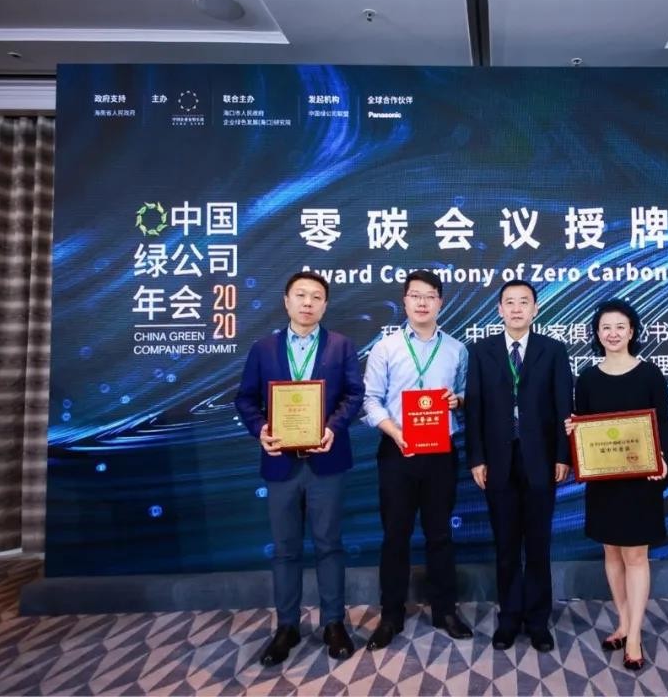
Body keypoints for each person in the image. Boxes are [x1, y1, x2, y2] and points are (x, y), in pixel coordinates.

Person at [234, 271, 365, 666]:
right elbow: (245, 399)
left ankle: (333, 623)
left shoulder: (341, 346)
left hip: (327, 462)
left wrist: (332, 428)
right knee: (285, 550)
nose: (308, 302)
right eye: (301, 295)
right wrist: (261, 430)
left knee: (329, 545)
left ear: (325, 304)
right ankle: (287, 626)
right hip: (281, 464)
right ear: (286, 301)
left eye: (316, 296)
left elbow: (354, 394)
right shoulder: (263, 348)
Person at [362, 270, 473, 650]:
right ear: (405, 301)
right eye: (415, 295)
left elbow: (464, 394)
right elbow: (371, 400)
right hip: (397, 451)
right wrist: (395, 432)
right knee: (395, 535)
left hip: (440, 452)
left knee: (440, 534)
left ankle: (445, 610)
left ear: (440, 301)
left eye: (430, 296)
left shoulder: (457, 349)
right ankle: (391, 614)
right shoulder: (386, 348)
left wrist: (458, 400)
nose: (422, 302)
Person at [565, 298, 668, 671]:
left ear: (632, 331)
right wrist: (574, 430)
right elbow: (585, 427)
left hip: (640, 480)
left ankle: (635, 636)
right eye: (605, 327)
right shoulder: (587, 378)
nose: (612, 333)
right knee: (611, 553)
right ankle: (624, 622)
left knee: (636, 556)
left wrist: (663, 460)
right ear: (597, 334)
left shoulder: (650, 374)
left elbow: (663, 423)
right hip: (605, 482)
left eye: (620, 327)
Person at [465, 279, 572, 652]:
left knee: (538, 545)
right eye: (509, 302)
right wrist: (476, 458)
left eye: (523, 302)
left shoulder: (553, 350)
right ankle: (509, 618)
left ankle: (538, 622)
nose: (516, 308)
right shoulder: (481, 351)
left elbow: (564, 405)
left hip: (541, 461)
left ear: (535, 309)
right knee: (506, 545)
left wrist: (563, 455)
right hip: (497, 462)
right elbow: (474, 408)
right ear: (499, 309)